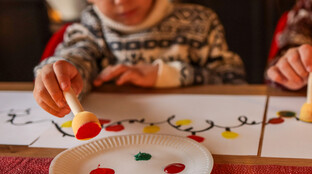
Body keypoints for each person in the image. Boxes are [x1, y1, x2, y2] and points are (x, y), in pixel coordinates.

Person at [33, 0, 246, 117]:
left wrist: (164, 75)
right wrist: (61, 74)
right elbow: (78, 57)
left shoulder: (201, 22)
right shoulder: (90, 28)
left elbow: (234, 83)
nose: (121, 2)